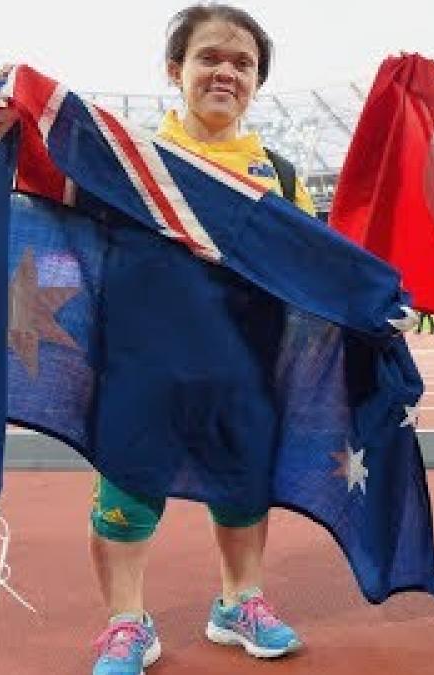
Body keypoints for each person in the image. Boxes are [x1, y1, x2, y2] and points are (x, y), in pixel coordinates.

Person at [80, 5, 313, 672]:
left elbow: (315, 268)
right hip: (140, 367)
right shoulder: (128, 160)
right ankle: (128, 624)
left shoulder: (283, 176)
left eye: (243, 64)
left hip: (240, 370)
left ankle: (240, 601)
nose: (226, 72)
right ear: (175, 71)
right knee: (124, 496)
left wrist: (373, 300)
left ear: (257, 83)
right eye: (211, 57)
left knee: (242, 491)